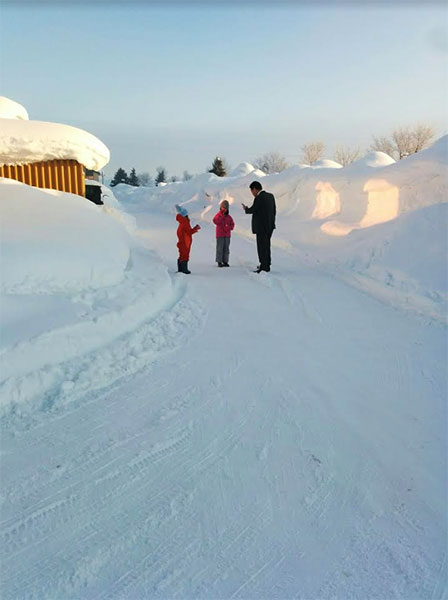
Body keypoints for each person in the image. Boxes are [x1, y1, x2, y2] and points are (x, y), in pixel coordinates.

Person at [242, 181, 276, 273]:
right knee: (267, 246)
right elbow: (274, 211)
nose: (252, 193)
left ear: (255, 189)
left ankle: (263, 267)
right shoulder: (271, 196)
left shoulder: (259, 198)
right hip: (270, 226)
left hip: (261, 227)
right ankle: (267, 264)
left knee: (261, 247)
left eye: (252, 191)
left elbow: (254, 209)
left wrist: (246, 209)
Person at [175, 204, 200, 274]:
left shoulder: (182, 223)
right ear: (185, 215)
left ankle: (180, 269)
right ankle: (184, 269)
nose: (188, 216)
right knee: (185, 255)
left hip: (183, 242)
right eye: (187, 214)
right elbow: (189, 232)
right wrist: (195, 229)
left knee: (182, 255)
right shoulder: (185, 223)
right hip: (185, 242)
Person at [212, 200, 235, 267]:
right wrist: (222, 216)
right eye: (223, 207)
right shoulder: (218, 215)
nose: (224, 209)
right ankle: (219, 261)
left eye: (225, 208)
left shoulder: (229, 217)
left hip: (227, 235)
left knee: (226, 248)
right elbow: (215, 221)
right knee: (220, 248)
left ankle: (225, 261)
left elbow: (232, 225)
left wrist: (229, 227)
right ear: (220, 208)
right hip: (220, 235)